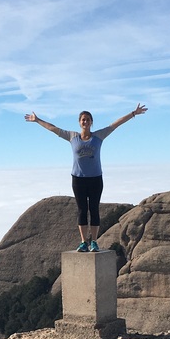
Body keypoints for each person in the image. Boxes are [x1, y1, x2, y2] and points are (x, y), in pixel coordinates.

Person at [24, 103, 148, 251]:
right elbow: (53, 128)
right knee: (82, 210)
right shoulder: (72, 137)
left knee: (94, 209)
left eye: (88, 119)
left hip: (95, 179)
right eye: (83, 119)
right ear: (79, 122)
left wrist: (133, 113)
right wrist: (37, 120)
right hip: (78, 179)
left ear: (91, 122)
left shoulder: (99, 136)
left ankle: (94, 242)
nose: (85, 122)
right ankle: (84, 242)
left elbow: (115, 124)